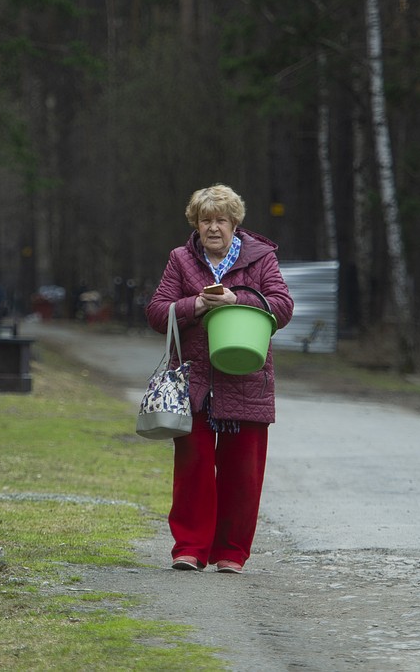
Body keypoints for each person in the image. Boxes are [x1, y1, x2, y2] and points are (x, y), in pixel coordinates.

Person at [145, 184, 294, 574]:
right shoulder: (180, 259)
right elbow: (157, 312)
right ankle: (190, 548)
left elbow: (282, 306)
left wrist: (237, 301)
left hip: (247, 377)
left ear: (234, 224)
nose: (213, 228)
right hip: (194, 382)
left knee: (242, 472)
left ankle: (231, 553)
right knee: (192, 467)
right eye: (206, 220)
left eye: (221, 220)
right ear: (196, 223)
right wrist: (194, 305)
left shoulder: (261, 259)